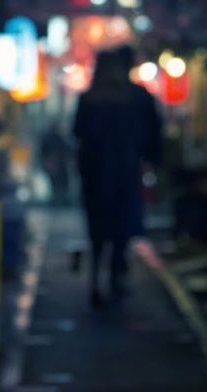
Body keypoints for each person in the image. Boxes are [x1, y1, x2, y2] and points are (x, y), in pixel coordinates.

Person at [73, 46, 162, 306]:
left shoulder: (90, 99)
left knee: (98, 231)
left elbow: (77, 134)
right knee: (120, 229)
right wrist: (153, 162)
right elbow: (153, 135)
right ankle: (115, 277)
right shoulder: (137, 97)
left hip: (95, 174)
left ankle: (97, 280)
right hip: (125, 171)